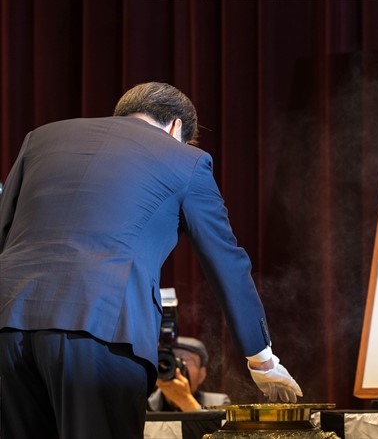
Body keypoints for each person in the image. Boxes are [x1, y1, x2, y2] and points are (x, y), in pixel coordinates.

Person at [0, 82, 302, 439]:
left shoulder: (39, 139)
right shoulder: (186, 160)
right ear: (176, 127)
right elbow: (226, 261)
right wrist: (262, 359)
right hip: (101, 328)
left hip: (7, 323)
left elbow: (4, 228)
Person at [148, 336, 231, 412]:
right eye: (170, 361)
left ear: (201, 375)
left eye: (185, 360)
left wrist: (186, 401)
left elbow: (217, 424)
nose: (177, 368)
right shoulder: (144, 404)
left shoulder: (219, 402)